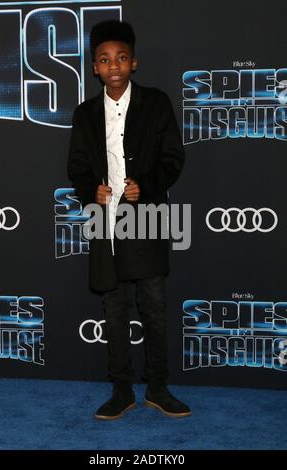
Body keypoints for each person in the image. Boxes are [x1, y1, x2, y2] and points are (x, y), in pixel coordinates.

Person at [67, 19, 191, 420]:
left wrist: (148, 186)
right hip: (106, 223)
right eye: (105, 60)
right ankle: (121, 391)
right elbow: (77, 166)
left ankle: (158, 387)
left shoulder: (156, 103)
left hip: (148, 217)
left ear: (134, 62)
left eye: (121, 58)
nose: (114, 65)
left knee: (154, 306)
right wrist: (91, 192)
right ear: (95, 68)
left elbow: (174, 157)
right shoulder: (84, 114)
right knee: (115, 308)